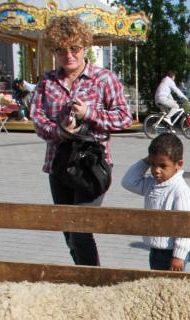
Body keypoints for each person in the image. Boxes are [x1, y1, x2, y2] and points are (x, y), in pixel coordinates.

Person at [31, 15, 132, 267]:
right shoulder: (47, 82)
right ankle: (82, 276)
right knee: (68, 229)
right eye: (61, 50)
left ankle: (92, 283)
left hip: (92, 165)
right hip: (59, 163)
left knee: (81, 228)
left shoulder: (104, 78)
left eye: (74, 48)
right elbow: (37, 119)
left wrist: (90, 114)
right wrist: (60, 130)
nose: (69, 55)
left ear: (84, 46)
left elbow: (124, 118)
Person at [120, 133, 190, 272]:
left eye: (163, 166)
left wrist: (179, 255)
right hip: (155, 250)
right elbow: (128, 182)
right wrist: (145, 161)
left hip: (172, 253)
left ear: (178, 164)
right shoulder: (151, 184)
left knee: (171, 290)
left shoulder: (180, 190)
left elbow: (186, 225)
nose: (156, 170)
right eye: (152, 164)